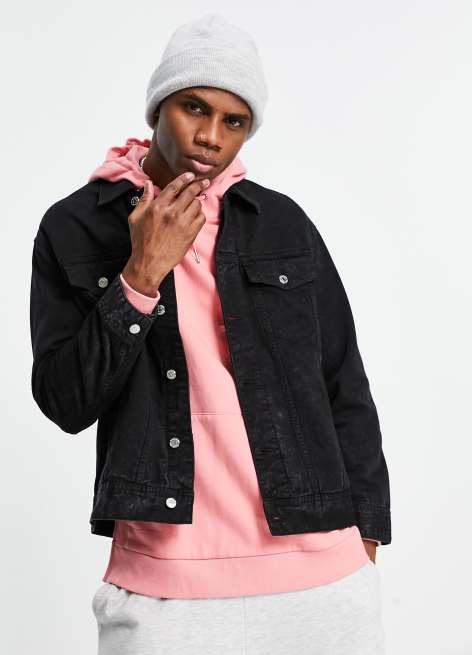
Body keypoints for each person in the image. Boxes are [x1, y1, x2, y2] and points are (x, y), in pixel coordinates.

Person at [30, 12, 391, 655]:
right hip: (164, 582)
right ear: (157, 108)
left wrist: (365, 535)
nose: (210, 137)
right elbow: (65, 401)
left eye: (234, 121)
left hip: (319, 573)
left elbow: (343, 382)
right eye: (193, 107)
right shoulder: (75, 227)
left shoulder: (281, 222)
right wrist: (140, 274)